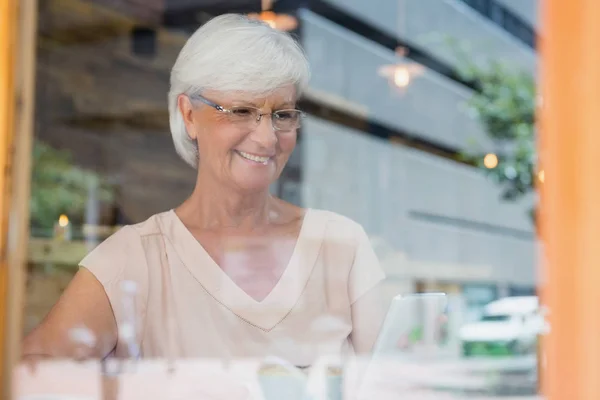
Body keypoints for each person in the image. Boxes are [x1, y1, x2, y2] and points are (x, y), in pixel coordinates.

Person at [22, 14, 386, 366]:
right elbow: (31, 372)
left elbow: (402, 382)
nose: (266, 137)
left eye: (283, 114)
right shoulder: (137, 259)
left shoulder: (342, 245)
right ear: (189, 115)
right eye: (242, 111)